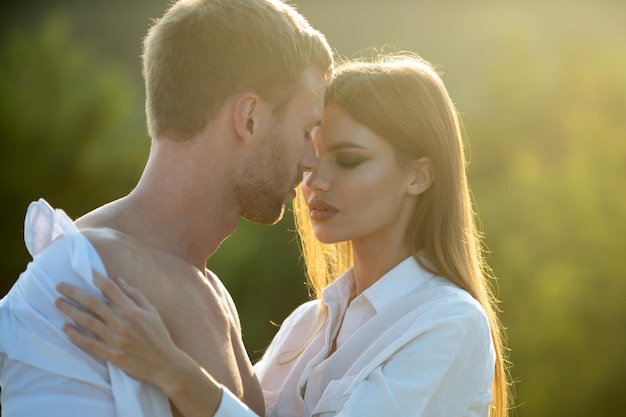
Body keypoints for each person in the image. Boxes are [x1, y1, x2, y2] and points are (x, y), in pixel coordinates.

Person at [55, 52, 510, 417]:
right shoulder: (303, 326)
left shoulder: (449, 324)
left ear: (419, 177)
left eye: (349, 160)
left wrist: (174, 371)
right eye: (313, 155)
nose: (315, 179)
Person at [0, 0, 333, 416]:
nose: (310, 161)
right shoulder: (81, 276)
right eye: (306, 131)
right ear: (249, 118)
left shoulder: (211, 291)